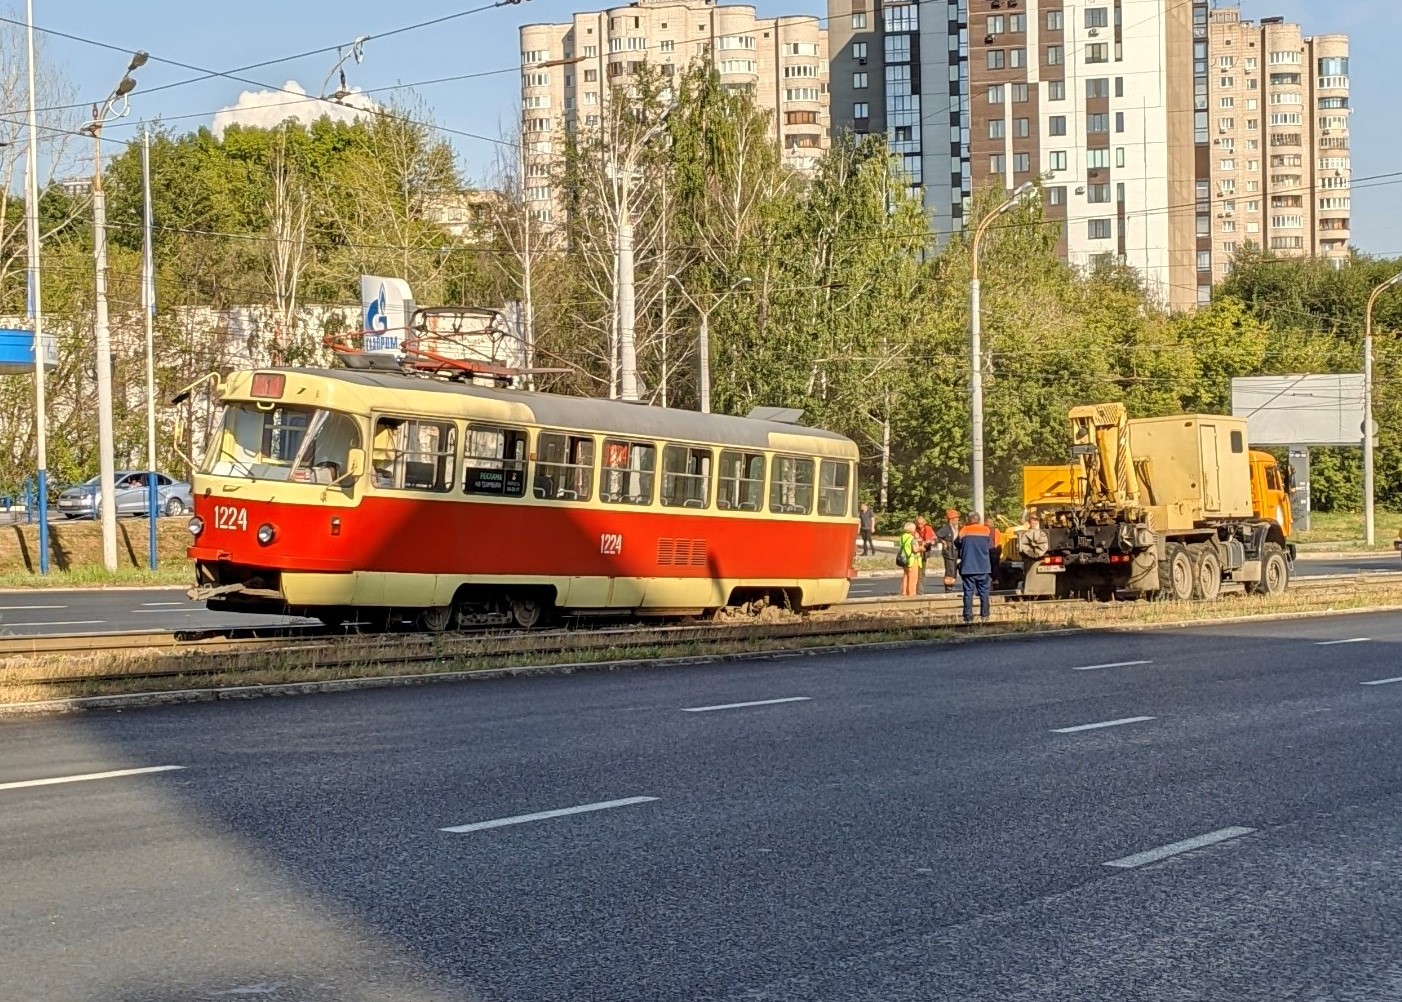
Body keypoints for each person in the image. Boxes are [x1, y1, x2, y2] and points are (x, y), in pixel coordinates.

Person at [957, 510, 995, 623]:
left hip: (968, 568)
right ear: (978, 520)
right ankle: (985, 616)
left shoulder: (964, 530)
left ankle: (968, 617)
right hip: (983, 567)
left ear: (969, 520)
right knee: (984, 593)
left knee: (968, 592)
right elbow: (991, 547)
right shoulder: (986, 530)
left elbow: (957, 544)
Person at [936, 508, 961, 593]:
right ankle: (948, 589)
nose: (958, 520)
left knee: (954, 571)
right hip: (949, 553)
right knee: (950, 571)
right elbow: (937, 536)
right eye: (956, 518)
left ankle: (951, 586)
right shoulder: (946, 528)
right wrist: (943, 542)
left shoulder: (957, 528)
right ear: (951, 520)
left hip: (957, 553)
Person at [898, 520, 923, 597]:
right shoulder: (912, 539)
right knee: (913, 578)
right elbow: (915, 550)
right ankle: (911, 594)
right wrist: (921, 548)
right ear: (912, 530)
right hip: (912, 560)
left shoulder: (902, 537)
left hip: (904, 559)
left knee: (905, 576)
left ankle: (904, 593)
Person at [914, 515, 936, 592]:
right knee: (917, 572)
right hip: (916, 553)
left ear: (924, 523)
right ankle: (917, 590)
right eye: (918, 523)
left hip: (924, 553)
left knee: (922, 573)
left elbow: (934, 538)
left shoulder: (928, 529)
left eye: (921, 523)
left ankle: (920, 590)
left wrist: (932, 542)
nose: (919, 525)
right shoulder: (914, 529)